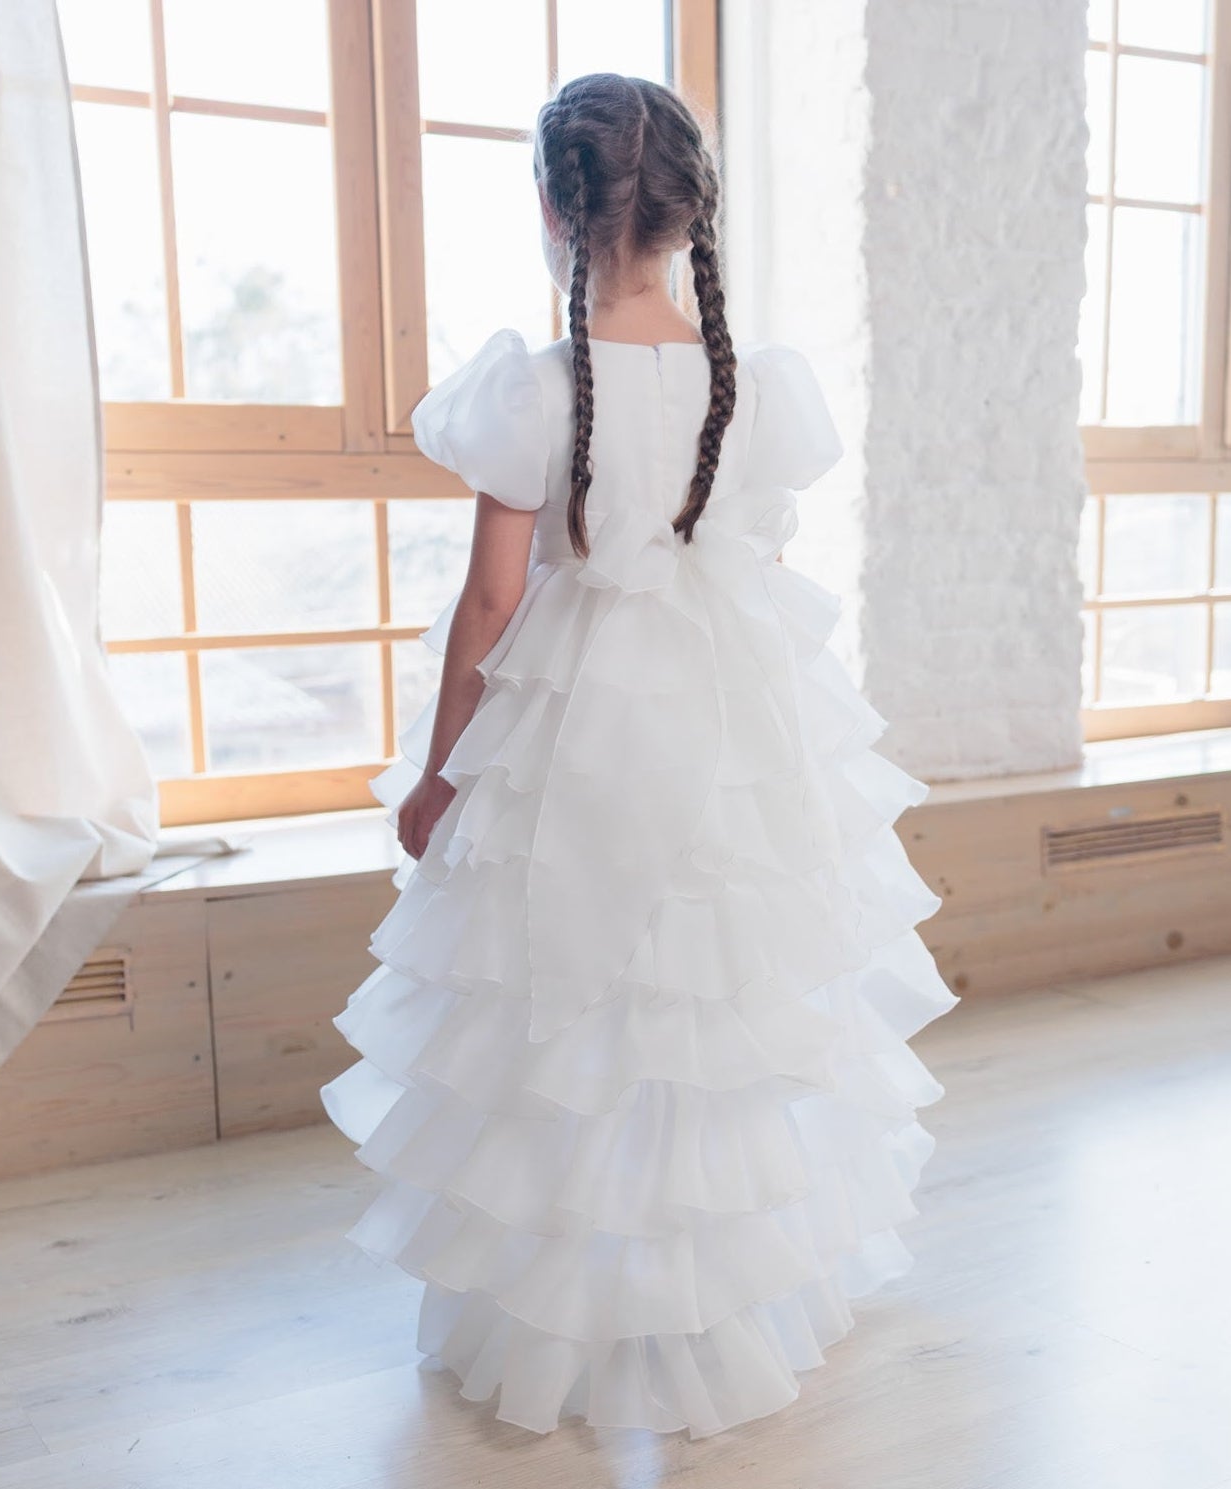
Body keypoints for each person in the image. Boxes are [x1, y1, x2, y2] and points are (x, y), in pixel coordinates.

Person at [320, 71, 958, 1440]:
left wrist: (441, 773)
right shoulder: (748, 386)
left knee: (563, 994)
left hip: (572, 721)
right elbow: (756, 555)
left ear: (552, 207)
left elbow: (492, 603)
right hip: (732, 717)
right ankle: (711, 1289)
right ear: (689, 213)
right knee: (708, 1003)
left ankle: (563, 1296)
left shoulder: (538, 392)